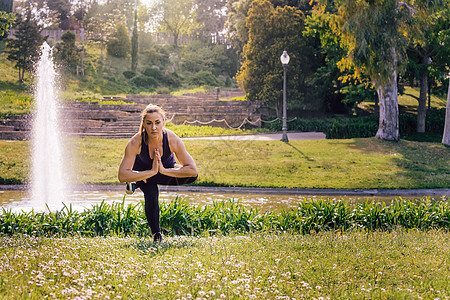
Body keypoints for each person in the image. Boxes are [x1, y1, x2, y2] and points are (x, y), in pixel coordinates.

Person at [118, 104, 198, 242]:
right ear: (143, 124)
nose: (153, 127)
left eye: (157, 123)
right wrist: (151, 172)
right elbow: (122, 175)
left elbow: (193, 170)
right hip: (143, 172)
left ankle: (136, 183)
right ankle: (157, 235)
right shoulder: (135, 142)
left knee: (192, 177)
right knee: (151, 194)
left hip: (163, 171)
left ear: (163, 123)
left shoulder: (172, 139)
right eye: (149, 123)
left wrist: (163, 170)